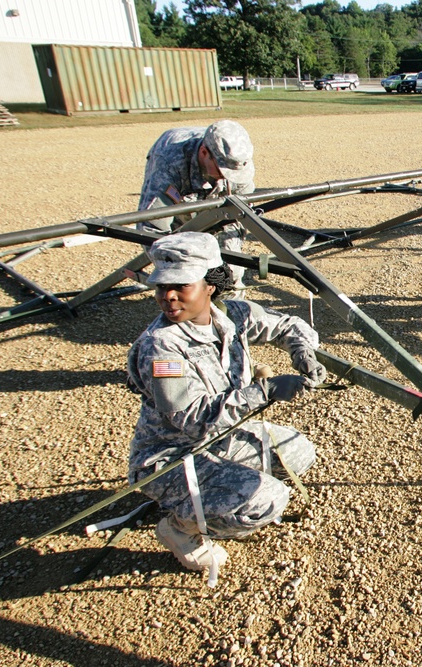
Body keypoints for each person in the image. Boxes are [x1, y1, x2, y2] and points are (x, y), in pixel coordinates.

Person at [126, 232, 328, 578]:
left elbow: (286, 325)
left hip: (222, 438)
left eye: (180, 286)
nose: (167, 297)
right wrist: (266, 391)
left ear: (210, 286)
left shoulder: (228, 316)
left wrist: (302, 351)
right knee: (267, 500)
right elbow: (193, 420)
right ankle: (179, 528)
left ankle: (217, 492)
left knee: (299, 452)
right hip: (172, 456)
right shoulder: (161, 348)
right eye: (161, 287)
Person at [138, 120, 256, 293]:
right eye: (223, 172)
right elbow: (151, 228)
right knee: (185, 257)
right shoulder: (169, 165)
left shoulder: (237, 160)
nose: (228, 177)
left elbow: (240, 217)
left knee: (232, 271)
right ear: (204, 153)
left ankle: (229, 310)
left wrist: (223, 265)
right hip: (178, 170)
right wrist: (183, 271)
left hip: (210, 173)